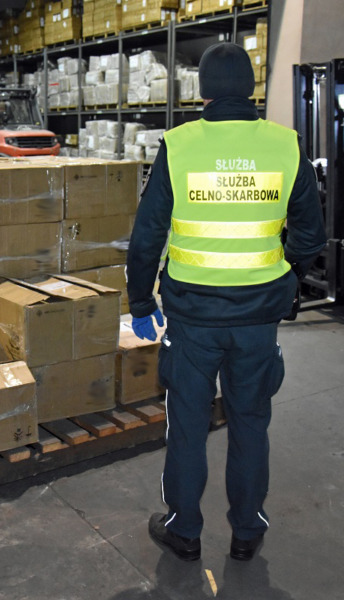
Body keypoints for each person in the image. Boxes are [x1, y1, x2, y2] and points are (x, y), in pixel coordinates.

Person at [126, 42, 326, 562]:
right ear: (251, 88)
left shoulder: (180, 146)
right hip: (258, 319)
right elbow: (311, 233)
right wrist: (287, 278)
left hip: (191, 320)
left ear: (204, 91)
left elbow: (147, 236)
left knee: (187, 427)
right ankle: (247, 531)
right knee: (250, 423)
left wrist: (141, 301)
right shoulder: (285, 145)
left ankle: (184, 531)